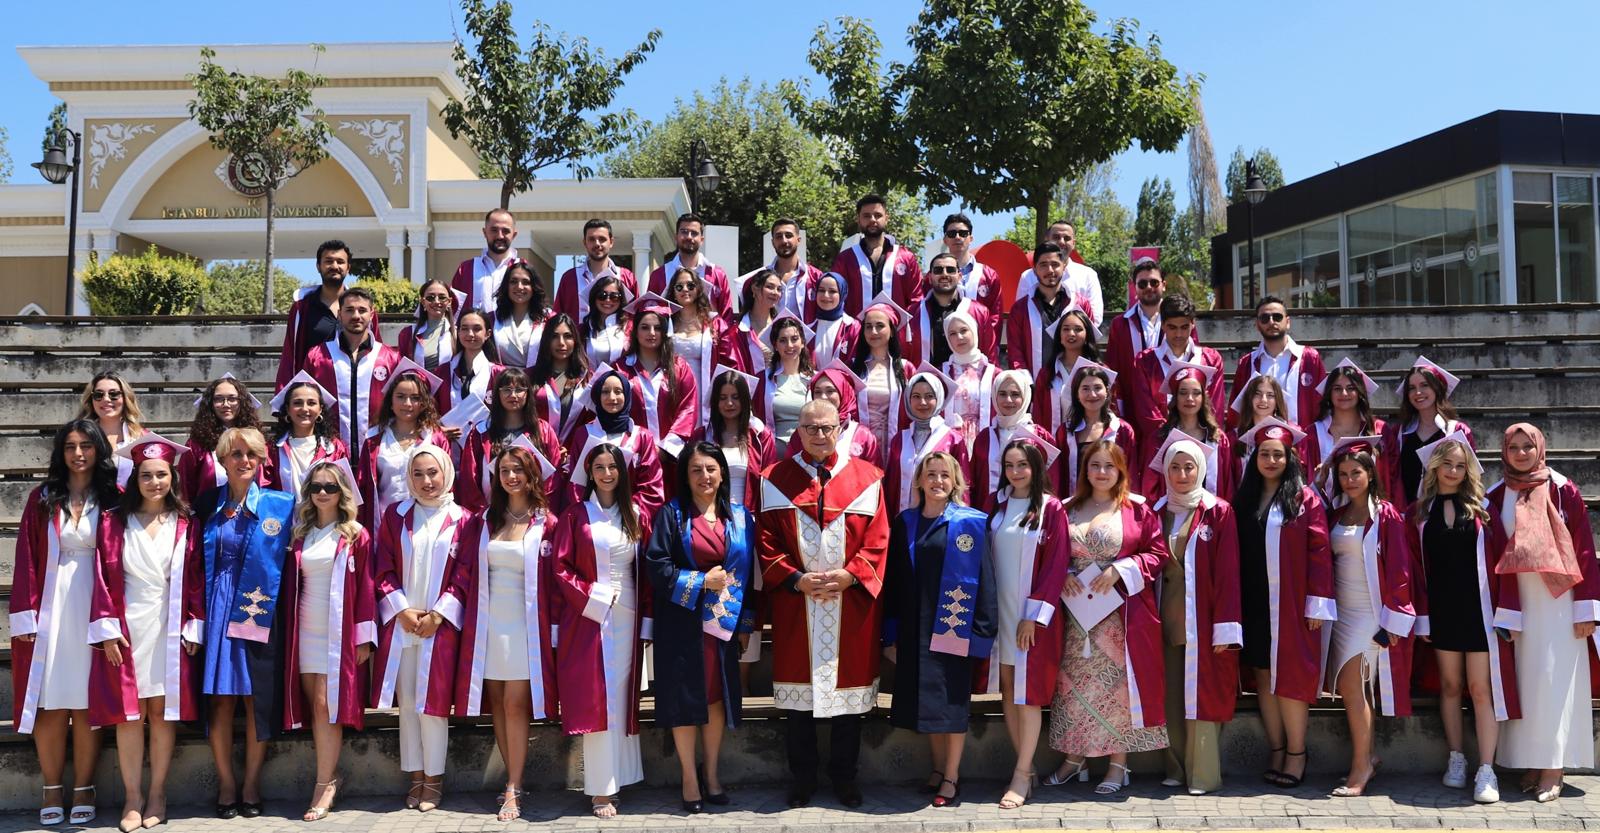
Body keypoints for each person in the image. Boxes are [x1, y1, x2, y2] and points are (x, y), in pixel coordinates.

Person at [758, 399, 890, 808]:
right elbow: (766, 542)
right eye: (810, 428)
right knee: (799, 700)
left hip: (849, 604)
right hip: (798, 604)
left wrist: (851, 575)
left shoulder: (866, 478)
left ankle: (844, 777)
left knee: (849, 703)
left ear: (840, 428)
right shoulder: (775, 479)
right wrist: (796, 580)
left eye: (826, 427)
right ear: (797, 431)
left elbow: (879, 539)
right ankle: (803, 778)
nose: (818, 435)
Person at [89, 434, 201, 832]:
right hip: (128, 628)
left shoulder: (186, 523)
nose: (155, 482)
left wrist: (192, 627)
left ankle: (157, 793)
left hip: (169, 628)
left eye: (162, 474)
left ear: (173, 476)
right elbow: (100, 579)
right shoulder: (112, 522)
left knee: (161, 712)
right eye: (147, 475)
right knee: (129, 714)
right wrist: (107, 631)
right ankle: (133, 797)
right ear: (135, 478)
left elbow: (195, 582)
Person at [1044, 440, 1167, 795]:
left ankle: (1118, 765)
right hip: (1075, 617)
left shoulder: (1137, 510)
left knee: (1117, 691)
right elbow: (1050, 550)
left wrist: (1121, 570)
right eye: (1094, 465)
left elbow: (1156, 553)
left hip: (1118, 618)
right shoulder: (1066, 508)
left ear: (1120, 471)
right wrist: (1062, 572)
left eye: (1108, 466)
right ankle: (1074, 760)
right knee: (1072, 689)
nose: (1101, 472)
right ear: (1085, 470)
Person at [12, 420, 119, 827]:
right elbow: (25, 558)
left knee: (87, 702)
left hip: (96, 605)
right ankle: (52, 786)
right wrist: (27, 614)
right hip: (52, 606)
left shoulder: (113, 499)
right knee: (50, 703)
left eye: (86, 446)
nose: (78, 453)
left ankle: (85, 786)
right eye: (71, 446)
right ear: (61, 452)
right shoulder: (43, 498)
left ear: (97, 451)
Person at [1489, 423, 1599, 803]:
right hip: (1517, 602)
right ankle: (1533, 762)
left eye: (1527, 446)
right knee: (1527, 683)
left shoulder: (1562, 488)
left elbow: (1583, 548)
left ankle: (1554, 766)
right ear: (1504, 452)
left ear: (1540, 448)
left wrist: (1585, 609)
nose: (1521, 453)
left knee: (1554, 682)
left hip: (1559, 603)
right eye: (1513, 447)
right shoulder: (1497, 493)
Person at [645, 444, 757, 813]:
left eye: (711, 468)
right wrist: (698, 581)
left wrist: (745, 624)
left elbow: (747, 575)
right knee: (685, 700)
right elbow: (656, 566)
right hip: (682, 624)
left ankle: (710, 774)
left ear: (723, 473)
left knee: (716, 698)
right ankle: (688, 778)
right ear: (685, 475)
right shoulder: (671, 516)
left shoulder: (741, 518)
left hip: (722, 627)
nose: (705, 476)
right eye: (696, 470)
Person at [453, 443, 560, 822]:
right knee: (497, 701)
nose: (511, 476)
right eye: (504, 471)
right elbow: (465, 570)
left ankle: (514, 785)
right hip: (488, 622)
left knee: (516, 703)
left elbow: (556, 581)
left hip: (525, 624)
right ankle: (512, 780)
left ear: (532, 475)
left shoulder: (548, 522)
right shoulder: (483, 521)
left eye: (518, 470)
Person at [886, 451, 997, 808]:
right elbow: (893, 581)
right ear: (918, 480)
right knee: (928, 704)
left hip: (954, 626)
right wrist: (890, 634)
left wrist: (981, 635)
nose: (937, 481)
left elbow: (984, 581)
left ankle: (951, 776)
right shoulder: (905, 522)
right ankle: (936, 769)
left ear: (955, 482)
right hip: (914, 628)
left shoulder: (970, 523)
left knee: (950, 705)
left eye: (944, 476)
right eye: (930, 475)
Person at [195, 427, 296, 819]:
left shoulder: (279, 504)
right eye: (236, 454)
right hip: (217, 607)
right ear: (223, 460)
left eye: (252, 454)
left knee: (256, 700)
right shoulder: (206, 504)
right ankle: (226, 784)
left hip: (259, 607)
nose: (244, 461)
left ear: (262, 460)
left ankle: (251, 783)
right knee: (220, 702)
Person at [372, 444, 477, 812]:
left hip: (439, 627)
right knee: (409, 707)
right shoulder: (395, 515)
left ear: (446, 472)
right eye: (418, 474)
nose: (427, 481)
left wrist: (439, 614)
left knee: (432, 707)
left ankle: (434, 779)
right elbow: (383, 566)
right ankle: (414, 775)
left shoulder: (464, 519)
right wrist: (401, 609)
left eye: (432, 472)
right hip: (404, 625)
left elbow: (465, 573)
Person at [1231, 418, 1332, 790]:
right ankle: (1276, 748)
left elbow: (1320, 551)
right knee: (1262, 676)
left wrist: (1317, 605)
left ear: (1290, 458)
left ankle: (1297, 752)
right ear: (1254, 457)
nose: (1271, 460)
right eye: (1264, 454)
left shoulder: (1305, 499)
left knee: (1289, 678)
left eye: (1278, 454)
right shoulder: (1243, 499)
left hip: (1290, 603)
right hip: (1255, 602)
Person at [553, 442, 651, 818]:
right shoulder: (575, 515)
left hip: (627, 615)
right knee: (598, 698)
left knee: (622, 696)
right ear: (588, 472)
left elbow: (644, 572)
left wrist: (645, 621)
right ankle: (599, 788)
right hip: (590, 614)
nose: (607, 473)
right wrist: (593, 595)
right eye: (599, 467)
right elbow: (560, 569)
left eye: (613, 466)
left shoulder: (636, 513)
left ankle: (621, 776)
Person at [1407, 433, 1505, 803]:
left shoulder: (1483, 509)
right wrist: (1424, 617)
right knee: (1449, 687)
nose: (1452, 471)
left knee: (1480, 690)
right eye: (1446, 464)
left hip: (1478, 611)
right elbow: (1416, 570)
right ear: (1435, 467)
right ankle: (1457, 758)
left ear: (1469, 471)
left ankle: (1487, 770)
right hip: (1442, 611)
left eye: (1460, 465)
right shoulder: (1419, 513)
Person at [279, 460, 376, 821]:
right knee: (313, 705)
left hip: (339, 631)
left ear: (342, 493)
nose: (322, 493)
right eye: (316, 487)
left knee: (325, 705)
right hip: (304, 630)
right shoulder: (300, 533)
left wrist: (364, 637)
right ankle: (329, 774)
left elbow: (367, 586)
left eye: (330, 487)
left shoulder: (355, 534)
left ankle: (325, 784)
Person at [1321, 437, 1416, 798]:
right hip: (1340, 615)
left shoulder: (1387, 515)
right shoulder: (1336, 514)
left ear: (1371, 474)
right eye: (1343, 474)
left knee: (1352, 688)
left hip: (1370, 614)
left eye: (1356, 473)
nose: (1349, 480)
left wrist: (1392, 624)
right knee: (1355, 691)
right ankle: (1369, 757)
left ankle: (1361, 767)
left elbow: (1400, 569)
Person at [1148, 435, 1240, 796]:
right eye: (1175, 466)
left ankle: (1202, 774)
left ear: (1200, 470)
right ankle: (1174, 765)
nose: (1182, 474)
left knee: (1202, 695)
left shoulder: (1218, 511)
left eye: (1189, 467)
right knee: (1169, 694)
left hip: (1203, 618)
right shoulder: (1156, 510)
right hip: (1164, 617)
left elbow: (1229, 572)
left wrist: (1226, 628)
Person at [986, 441, 1072, 809]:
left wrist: (1033, 617)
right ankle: (1029, 766)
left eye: (1023, 464)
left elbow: (1056, 565)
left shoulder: (1051, 509)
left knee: (1029, 694)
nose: (1016, 471)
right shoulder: (997, 503)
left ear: (1037, 468)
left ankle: (1020, 776)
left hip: (1029, 615)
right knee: (1008, 689)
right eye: (1009, 464)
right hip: (1001, 611)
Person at [303, 286, 404, 451]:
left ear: (371, 314)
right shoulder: (317, 356)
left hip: (379, 451)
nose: (356, 316)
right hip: (330, 451)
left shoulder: (390, 357)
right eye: (349, 310)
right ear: (339, 314)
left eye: (362, 310)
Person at [354, 360, 450, 530]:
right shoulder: (374, 440)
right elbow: (364, 487)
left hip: (426, 523)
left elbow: (447, 484)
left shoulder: (435, 438)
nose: (407, 404)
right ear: (390, 401)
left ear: (424, 403)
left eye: (415, 398)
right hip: (383, 524)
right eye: (400, 396)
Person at [562, 368, 666, 521]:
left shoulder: (642, 437)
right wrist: (588, 515)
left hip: (631, 518)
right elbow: (576, 484)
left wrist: (629, 514)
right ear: (597, 396)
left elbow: (652, 488)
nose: (612, 397)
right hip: (591, 520)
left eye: (618, 391)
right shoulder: (584, 434)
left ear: (627, 395)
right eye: (605, 392)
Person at [455, 367, 562, 513]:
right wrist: (483, 516)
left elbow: (553, 478)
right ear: (497, 394)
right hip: (491, 511)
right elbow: (470, 480)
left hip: (533, 513)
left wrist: (540, 510)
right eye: (506, 389)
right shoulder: (481, 433)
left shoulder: (543, 431)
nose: (513, 395)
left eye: (519, 389)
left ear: (527, 393)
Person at [1126, 295, 1226, 443]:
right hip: (1160, 443)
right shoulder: (1145, 361)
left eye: (1184, 327)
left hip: (1202, 441)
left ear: (1193, 324)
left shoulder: (1211, 359)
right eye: (1172, 327)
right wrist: (1169, 438)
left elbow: (1215, 405)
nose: (1179, 334)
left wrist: (1201, 436)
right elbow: (1145, 411)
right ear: (1163, 324)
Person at [1381, 357, 1474, 512]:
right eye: (1411, 388)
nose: (1418, 392)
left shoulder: (1457, 431)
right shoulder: (1400, 433)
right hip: (1406, 516)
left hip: (1445, 515)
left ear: (1437, 389)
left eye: (1425, 385)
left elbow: (1470, 475)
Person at [619, 293, 698, 462]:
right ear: (635, 330)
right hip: (633, 457)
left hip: (671, 459)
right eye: (645, 327)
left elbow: (688, 410)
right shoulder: (620, 368)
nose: (652, 333)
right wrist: (635, 448)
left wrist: (664, 450)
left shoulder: (679, 368)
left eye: (658, 328)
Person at [1140, 364, 1234, 503]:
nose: (1190, 398)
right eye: (1183, 392)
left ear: (1203, 397)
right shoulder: (1159, 438)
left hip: (1209, 516)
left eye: (1196, 393)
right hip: (1170, 515)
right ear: (1175, 398)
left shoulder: (1218, 439)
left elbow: (1227, 485)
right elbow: (1150, 486)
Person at [1228, 296, 1326, 429]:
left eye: (1277, 317)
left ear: (1288, 322)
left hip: (1303, 443)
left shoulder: (1309, 358)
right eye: (1265, 318)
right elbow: (1237, 410)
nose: (1271, 321)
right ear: (1257, 324)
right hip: (1260, 445)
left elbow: (1323, 404)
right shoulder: (1247, 363)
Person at [278, 240, 364, 387]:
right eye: (328, 261)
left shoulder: (362, 308)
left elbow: (376, 353)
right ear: (318, 266)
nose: (335, 266)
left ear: (348, 267)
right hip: (313, 394)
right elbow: (289, 357)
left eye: (340, 261)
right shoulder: (302, 308)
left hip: (355, 391)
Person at [886, 366, 971, 514]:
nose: (922, 402)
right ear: (908, 399)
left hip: (939, 521)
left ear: (939, 399)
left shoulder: (953, 439)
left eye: (929, 396)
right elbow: (891, 486)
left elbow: (962, 487)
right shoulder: (899, 439)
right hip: (902, 520)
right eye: (916, 396)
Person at [691, 367, 778, 510]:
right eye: (723, 398)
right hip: (710, 516)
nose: (729, 403)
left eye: (735, 397)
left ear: (745, 399)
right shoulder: (701, 436)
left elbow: (770, 483)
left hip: (750, 518)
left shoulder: (761, 437)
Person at [968, 370, 1055, 512]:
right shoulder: (984, 438)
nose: (1008, 400)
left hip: (1030, 516)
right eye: (1002, 394)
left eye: (1015, 394)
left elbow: (1052, 481)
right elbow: (974, 483)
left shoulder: (1039, 437)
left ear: (1026, 396)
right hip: (988, 515)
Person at [825, 193, 923, 318]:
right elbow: (836, 298)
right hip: (856, 333)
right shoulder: (845, 258)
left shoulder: (906, 257)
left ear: (886, 218)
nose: (872, 220)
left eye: (878, 215)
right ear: (858, 219)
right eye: (866, 216)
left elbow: (916, 299)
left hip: (897, 333)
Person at [1056, 361, 1138, 500]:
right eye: (1085, 388)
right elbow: (1059, 476)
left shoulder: (1122, 430)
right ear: (1077, 394)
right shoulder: (1066, 431)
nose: (1092, 394)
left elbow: (1131, 473)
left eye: (1097, 388)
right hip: (1076, 505)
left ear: (1107, 391)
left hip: (1112, 505)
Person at [179, 375, 265, 504]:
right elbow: (186, 486)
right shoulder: (197, 444)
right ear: (211, 404)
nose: (225, 404)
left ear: (241, 402)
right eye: (219, 399)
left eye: (232, 399)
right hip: (209, 516)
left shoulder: (256, 440)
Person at [1104, 259, 1178, 408]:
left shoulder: (1179, 320)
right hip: (1133, 407)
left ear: (1163, 285)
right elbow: (1113, 369)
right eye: (1142, 284)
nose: (1149, 287)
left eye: (1154, 283)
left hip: (1172, 407)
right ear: (1135, 288)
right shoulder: (1120, 324)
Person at [263, 372, 348, 500]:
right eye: (297, 403)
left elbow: (345, 491)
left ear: (320, 409)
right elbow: (264, 493)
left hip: (325, 519)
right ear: (288, 409)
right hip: (284, 519)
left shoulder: (335, 448)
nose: (305, 408)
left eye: (311, 403)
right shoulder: (272, 449)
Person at [904, 252, 997, 367]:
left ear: (959, 276)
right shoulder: (913, 313)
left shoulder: (979, 312)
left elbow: (990, 357)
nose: (944, 274)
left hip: (966, 381)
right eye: (938, 270)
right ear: (930, 278)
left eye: (950, 270)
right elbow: (904, 357)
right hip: (925, 381)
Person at [850, 292, 916, 451]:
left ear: (892, 330)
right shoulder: (853, 367)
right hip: (859, 444)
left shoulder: (906, 368)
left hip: (896, 442)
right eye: (868, 326)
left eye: (880, 326)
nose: (873, 332)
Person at [784, 362, 881, 468]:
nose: (823, 397)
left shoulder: (862, 435)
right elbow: (790, 471)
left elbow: (873, 476)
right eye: (817, 392)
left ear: (845, 393)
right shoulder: (802, 433)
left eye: (830, 391)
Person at [667, 266, 731, 422]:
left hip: (704, 389)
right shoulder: (665, 323)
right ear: (673, 292)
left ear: (698, 289)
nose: (685, 290)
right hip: (673, 390)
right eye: (679, 287)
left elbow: (728, 362)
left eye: (690, 285)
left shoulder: (715, 324)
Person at [1304, 359, 1386, 478]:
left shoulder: (1380, 430)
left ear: (1359, 392)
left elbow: (1392, 477)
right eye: (1337, 388)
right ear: (1329, 394)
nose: (1344, 393)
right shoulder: (1314, 434)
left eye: (1351, 388)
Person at [1013, 220, 1104, 328]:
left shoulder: (1088, 275)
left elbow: (1095, 318)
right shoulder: (1028, 277)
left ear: (1073, 243)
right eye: (1056, 237)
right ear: (1047, 240)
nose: (1061, 242)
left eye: (1067, 238)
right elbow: (1019, 317)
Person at [1005, 242, 1074, 374]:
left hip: (1073, 387)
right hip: (1034, 387)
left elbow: (1087, 346)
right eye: (1043, 265)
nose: (1050, 270)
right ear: (1034, 269)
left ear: (1064, 266)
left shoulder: (1079, 303)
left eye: (1055, 264)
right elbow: (1015, 352)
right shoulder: (1020, 309)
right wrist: (1027, 384)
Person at [554, 218, 640, 321]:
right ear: (585, 243)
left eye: (602, 239)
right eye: (591, 239)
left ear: (611, 242)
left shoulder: (627, 277)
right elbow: (558, 318)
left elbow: (636, 316)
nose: (597, 244)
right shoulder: (569, 278)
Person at [1032, 308, 1102, 433]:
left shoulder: (1100, 371)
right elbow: (1038, 413)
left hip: (1091, 443)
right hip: (1055, 442)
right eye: (1066, 329)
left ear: (1087, 335)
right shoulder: (1047, 373)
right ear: (1059, 336)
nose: (1071, 333)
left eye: (1078, 329)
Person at [649, 212, 732, 314]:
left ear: (701, 240)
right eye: (684, 232)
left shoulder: (717, 274)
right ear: (676, 237)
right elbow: (650, 313)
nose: (689, 237)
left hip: (709, 330)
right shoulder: (659, 275)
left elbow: (727, 316)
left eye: (694, 233)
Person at [752, 314, 816, 446]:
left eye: (794, 339)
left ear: (803, 342)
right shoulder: (763, 380)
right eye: (783, 340)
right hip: (774, 448)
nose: (789, 345)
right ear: (775, 345)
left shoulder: (815, 379)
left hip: (807, 448)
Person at [529, 312, 592, 444]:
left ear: (575, 340)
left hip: (574, 455)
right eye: (554, 337)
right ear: (547, 340)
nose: (561, 343)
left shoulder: (588, 378)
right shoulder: (529, 377)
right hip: (536, 452)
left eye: (568, 336)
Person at [74, 370, 146, 484]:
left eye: (114, 394)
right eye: (98, 395)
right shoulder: (78, 436)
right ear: (91, 400)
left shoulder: (141, 437)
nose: (106, 399)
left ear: (125, 398)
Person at [941, 309, 998, 447]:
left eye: (964, 330)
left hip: (985, 443)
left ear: (974, 331)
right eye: (953, 334)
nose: (959, 337)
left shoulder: (993, 373)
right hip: (952, 443)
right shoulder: (941, 374)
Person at [434, 308, 503, 420]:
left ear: (488, 334)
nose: (470, 334)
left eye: (477, 329)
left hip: (487, 436)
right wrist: (440, 428)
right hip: (447, 436)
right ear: (458, 332)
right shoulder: (443, 371)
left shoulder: (498, 373)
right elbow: (432, 410)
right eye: (465, 329)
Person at [451, 208, 520, 313]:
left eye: (505, 231)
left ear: (514, 235)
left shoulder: (523, 269)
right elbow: (452, 310)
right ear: (484, 232)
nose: (500, 236)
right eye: (494, 230)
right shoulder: (466, 270)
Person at [1228, 374, 1292, 482]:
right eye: (1257, 394)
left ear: (1277, 402)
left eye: (1270, 395)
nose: (1263, 400)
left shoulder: (1289, 434)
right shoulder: (1233, 438)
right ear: (1249, 399)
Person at [939, 212, 1004, 317]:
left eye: (963, 233)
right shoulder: (935, 275)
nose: (957, 237)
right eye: (952, 234)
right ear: (945, 240)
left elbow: (995, 316)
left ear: (971, 238)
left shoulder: (989, 276)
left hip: (981, 333)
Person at [394, 280, 464, 372]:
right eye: (430, 298)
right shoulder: (407, 334)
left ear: (449, 302)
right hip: (418, 385)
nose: (436, 301)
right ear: (423, 302)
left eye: (442, 297)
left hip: (449, 386)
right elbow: (401, 368)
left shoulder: (458, 334)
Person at [491, 259, 549, 368]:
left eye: (526, 282)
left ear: (534, 287)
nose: (519, 287)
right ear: (506, 286)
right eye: (513, 281)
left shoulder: (548, 319)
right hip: (502, 380)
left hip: (536, 380)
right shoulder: (492, 319)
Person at [722, 269, 781, 374]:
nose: (775, 293)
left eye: (779, 289)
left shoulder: (781, 326)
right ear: (755, 289)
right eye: (770, 287)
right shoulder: (737, 330)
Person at [766, 218, 822, 317]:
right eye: (779, 236)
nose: (784, 241)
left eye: (789, 236)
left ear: (798, 240)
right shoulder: (761, 278)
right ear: (773, 242)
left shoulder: (816, 277)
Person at [807, 272, 860, 368]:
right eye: (821, 290)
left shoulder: (853, 327)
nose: (826, 295)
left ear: (842, 294)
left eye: (832, 291)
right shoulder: (808, 328)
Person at [581, 275, 632, 367]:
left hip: (622, 380)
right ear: (594, 298)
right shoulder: (583, 329)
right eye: (602, 295)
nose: (608, 300)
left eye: (614, 296)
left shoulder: (630, 328)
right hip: (589, 380)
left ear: (621, 300)